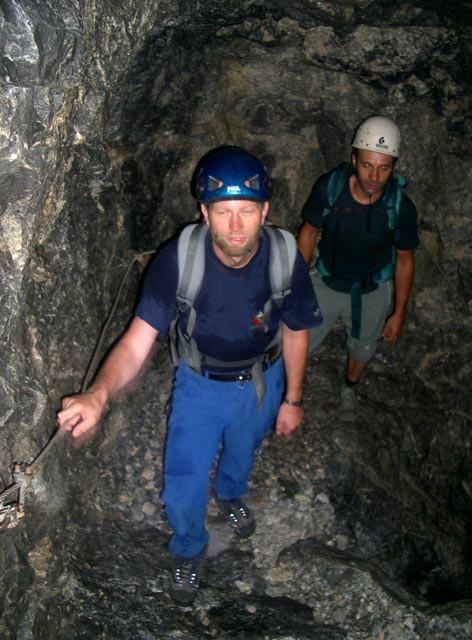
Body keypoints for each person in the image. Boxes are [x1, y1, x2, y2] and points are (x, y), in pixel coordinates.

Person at [57, 146, 322, 606]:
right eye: (223, 212)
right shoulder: (179, 259)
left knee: (243, 450)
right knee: (182, 481)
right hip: (199, 386)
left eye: (245, 211)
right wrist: (99, 395)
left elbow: (296, 331)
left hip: (264, 379)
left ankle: (231, 493)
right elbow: (138, 341)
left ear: (265, 211)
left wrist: (292, 399)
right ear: (204, 212)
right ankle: (188, 547)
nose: (235, 226)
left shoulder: (284, 255)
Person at [297, 115, 419, 420]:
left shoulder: (400, 207)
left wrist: (399, 310)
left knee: (363, 350)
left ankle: (349, 388)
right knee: (295, 338)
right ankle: (288, 392)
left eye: (384, 167)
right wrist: (295, 285)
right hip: (327, 280)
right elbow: (309, 231)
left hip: (371, 289)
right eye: (367, 164)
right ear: (354, 159)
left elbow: (405, 258)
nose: (374, 176)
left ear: (393, 166)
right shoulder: (331, 188)